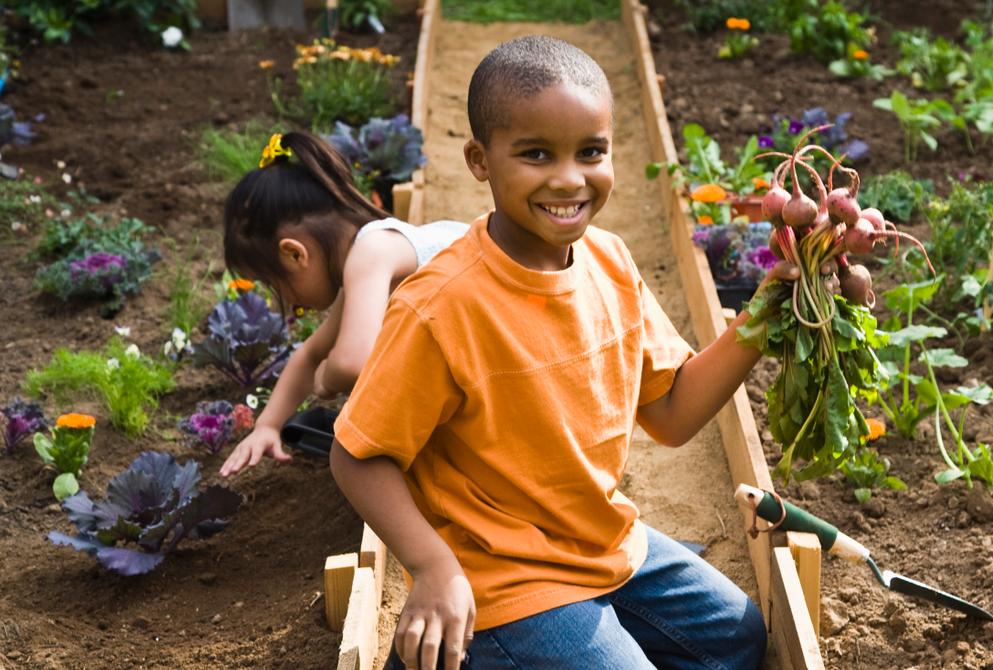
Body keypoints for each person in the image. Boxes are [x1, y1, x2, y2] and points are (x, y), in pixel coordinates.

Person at [330, 36, 859, 670]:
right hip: (501, 579)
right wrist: (435, 569)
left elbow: (672, 413)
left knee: (739, 640)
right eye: (535, 154)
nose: (569, 179)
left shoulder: (609, 260)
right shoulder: (442, 306)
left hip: (603, 543)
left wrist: (774, 299)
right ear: (479, 160)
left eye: (591, 152)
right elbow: (357, 455)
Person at [218, 131, 468, 477]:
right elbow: (309, 353)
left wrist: (326, 380)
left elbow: (351, 362)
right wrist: (268, 425)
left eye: (275, 286)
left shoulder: (371, 252)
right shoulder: (368, 257)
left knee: (352, 460)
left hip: (523, 364)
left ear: (294, 254)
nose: (284, 304)